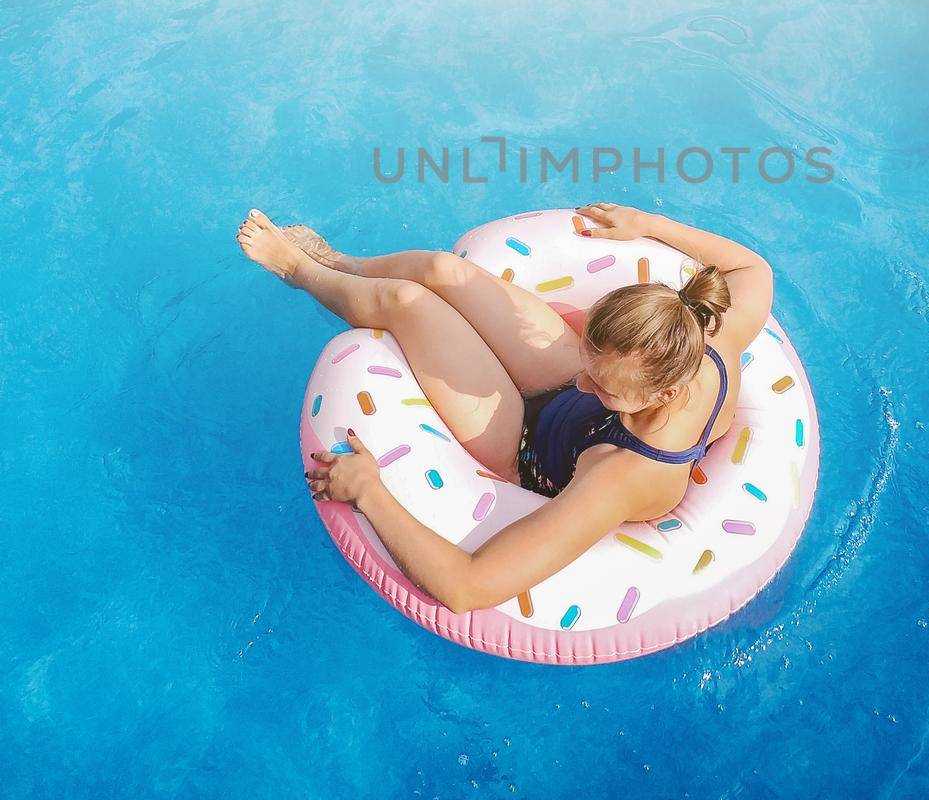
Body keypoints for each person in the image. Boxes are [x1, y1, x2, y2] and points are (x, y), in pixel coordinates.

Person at [235, 202, 774, 615]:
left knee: (405, 304)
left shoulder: (623, 477)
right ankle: (340, 263)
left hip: (524, 446)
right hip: (565, 398)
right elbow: (754, 270)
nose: (585, 383)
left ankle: (299, 271)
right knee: (440, 271)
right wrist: (646, 223)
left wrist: (370, 491)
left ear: (665, 394)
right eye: (591, 364)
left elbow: (467, 589)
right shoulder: (698, 337)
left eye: (603, 385)